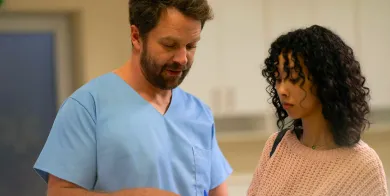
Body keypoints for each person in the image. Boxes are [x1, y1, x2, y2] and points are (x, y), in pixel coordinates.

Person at [33, 0, 232, 195]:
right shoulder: (87, 108)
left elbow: (217, 190)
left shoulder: (198, 113)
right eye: (170, 45)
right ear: (136, 37)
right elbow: (60, 192)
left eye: (190, 46)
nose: (182, 58)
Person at [247, 25, 388, 196]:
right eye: (278, 79)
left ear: (325, 82)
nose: (282, 89)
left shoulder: (363, 166)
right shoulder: (276, 145)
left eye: (293, 78)